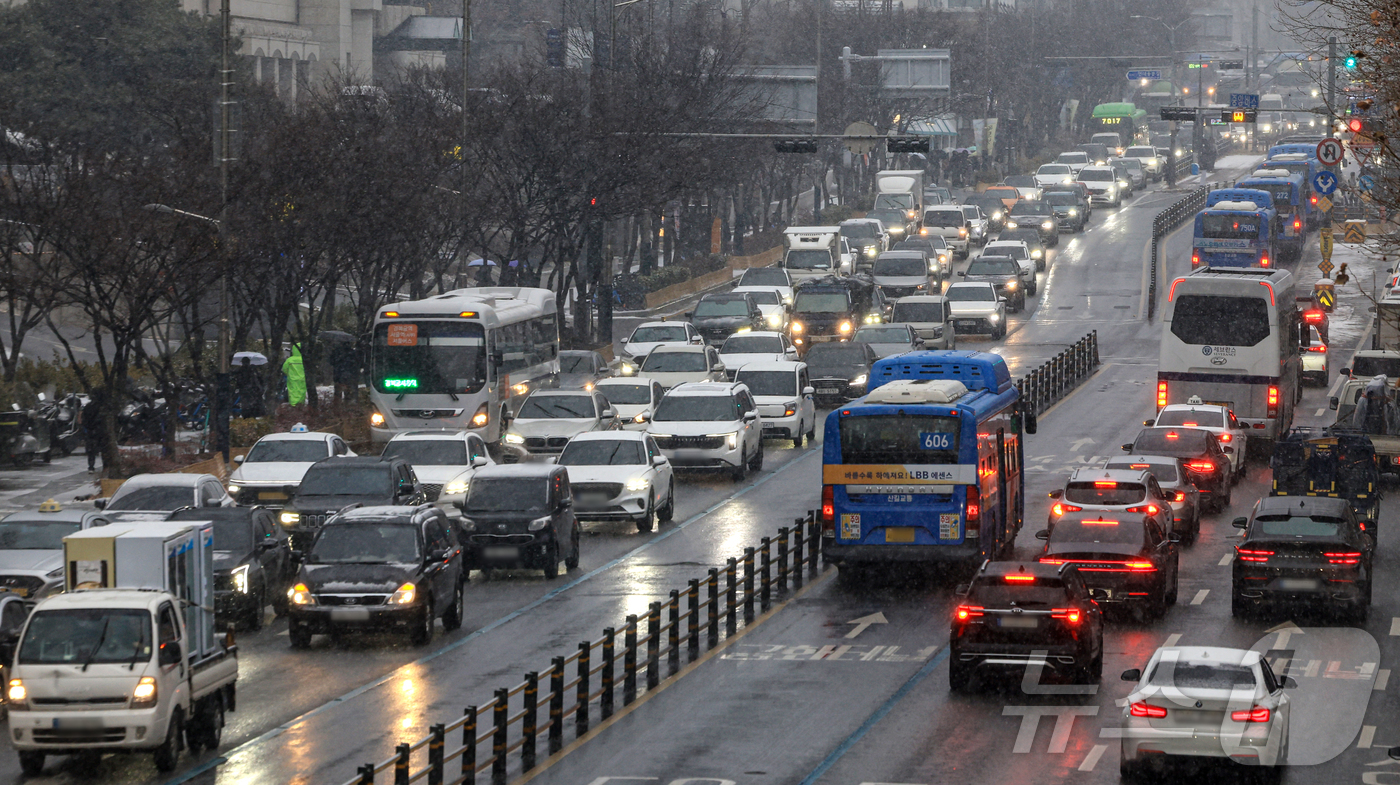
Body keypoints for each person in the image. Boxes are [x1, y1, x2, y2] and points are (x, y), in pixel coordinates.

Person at [81, 388, 107, 473]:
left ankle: (91, 467)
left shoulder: (89, 406)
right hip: (100, 430)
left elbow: (84, 419)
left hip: (91, 431)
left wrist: (88, 428)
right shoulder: (104, 406)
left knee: (91, 450)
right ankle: (105, 467)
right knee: (104, 449)